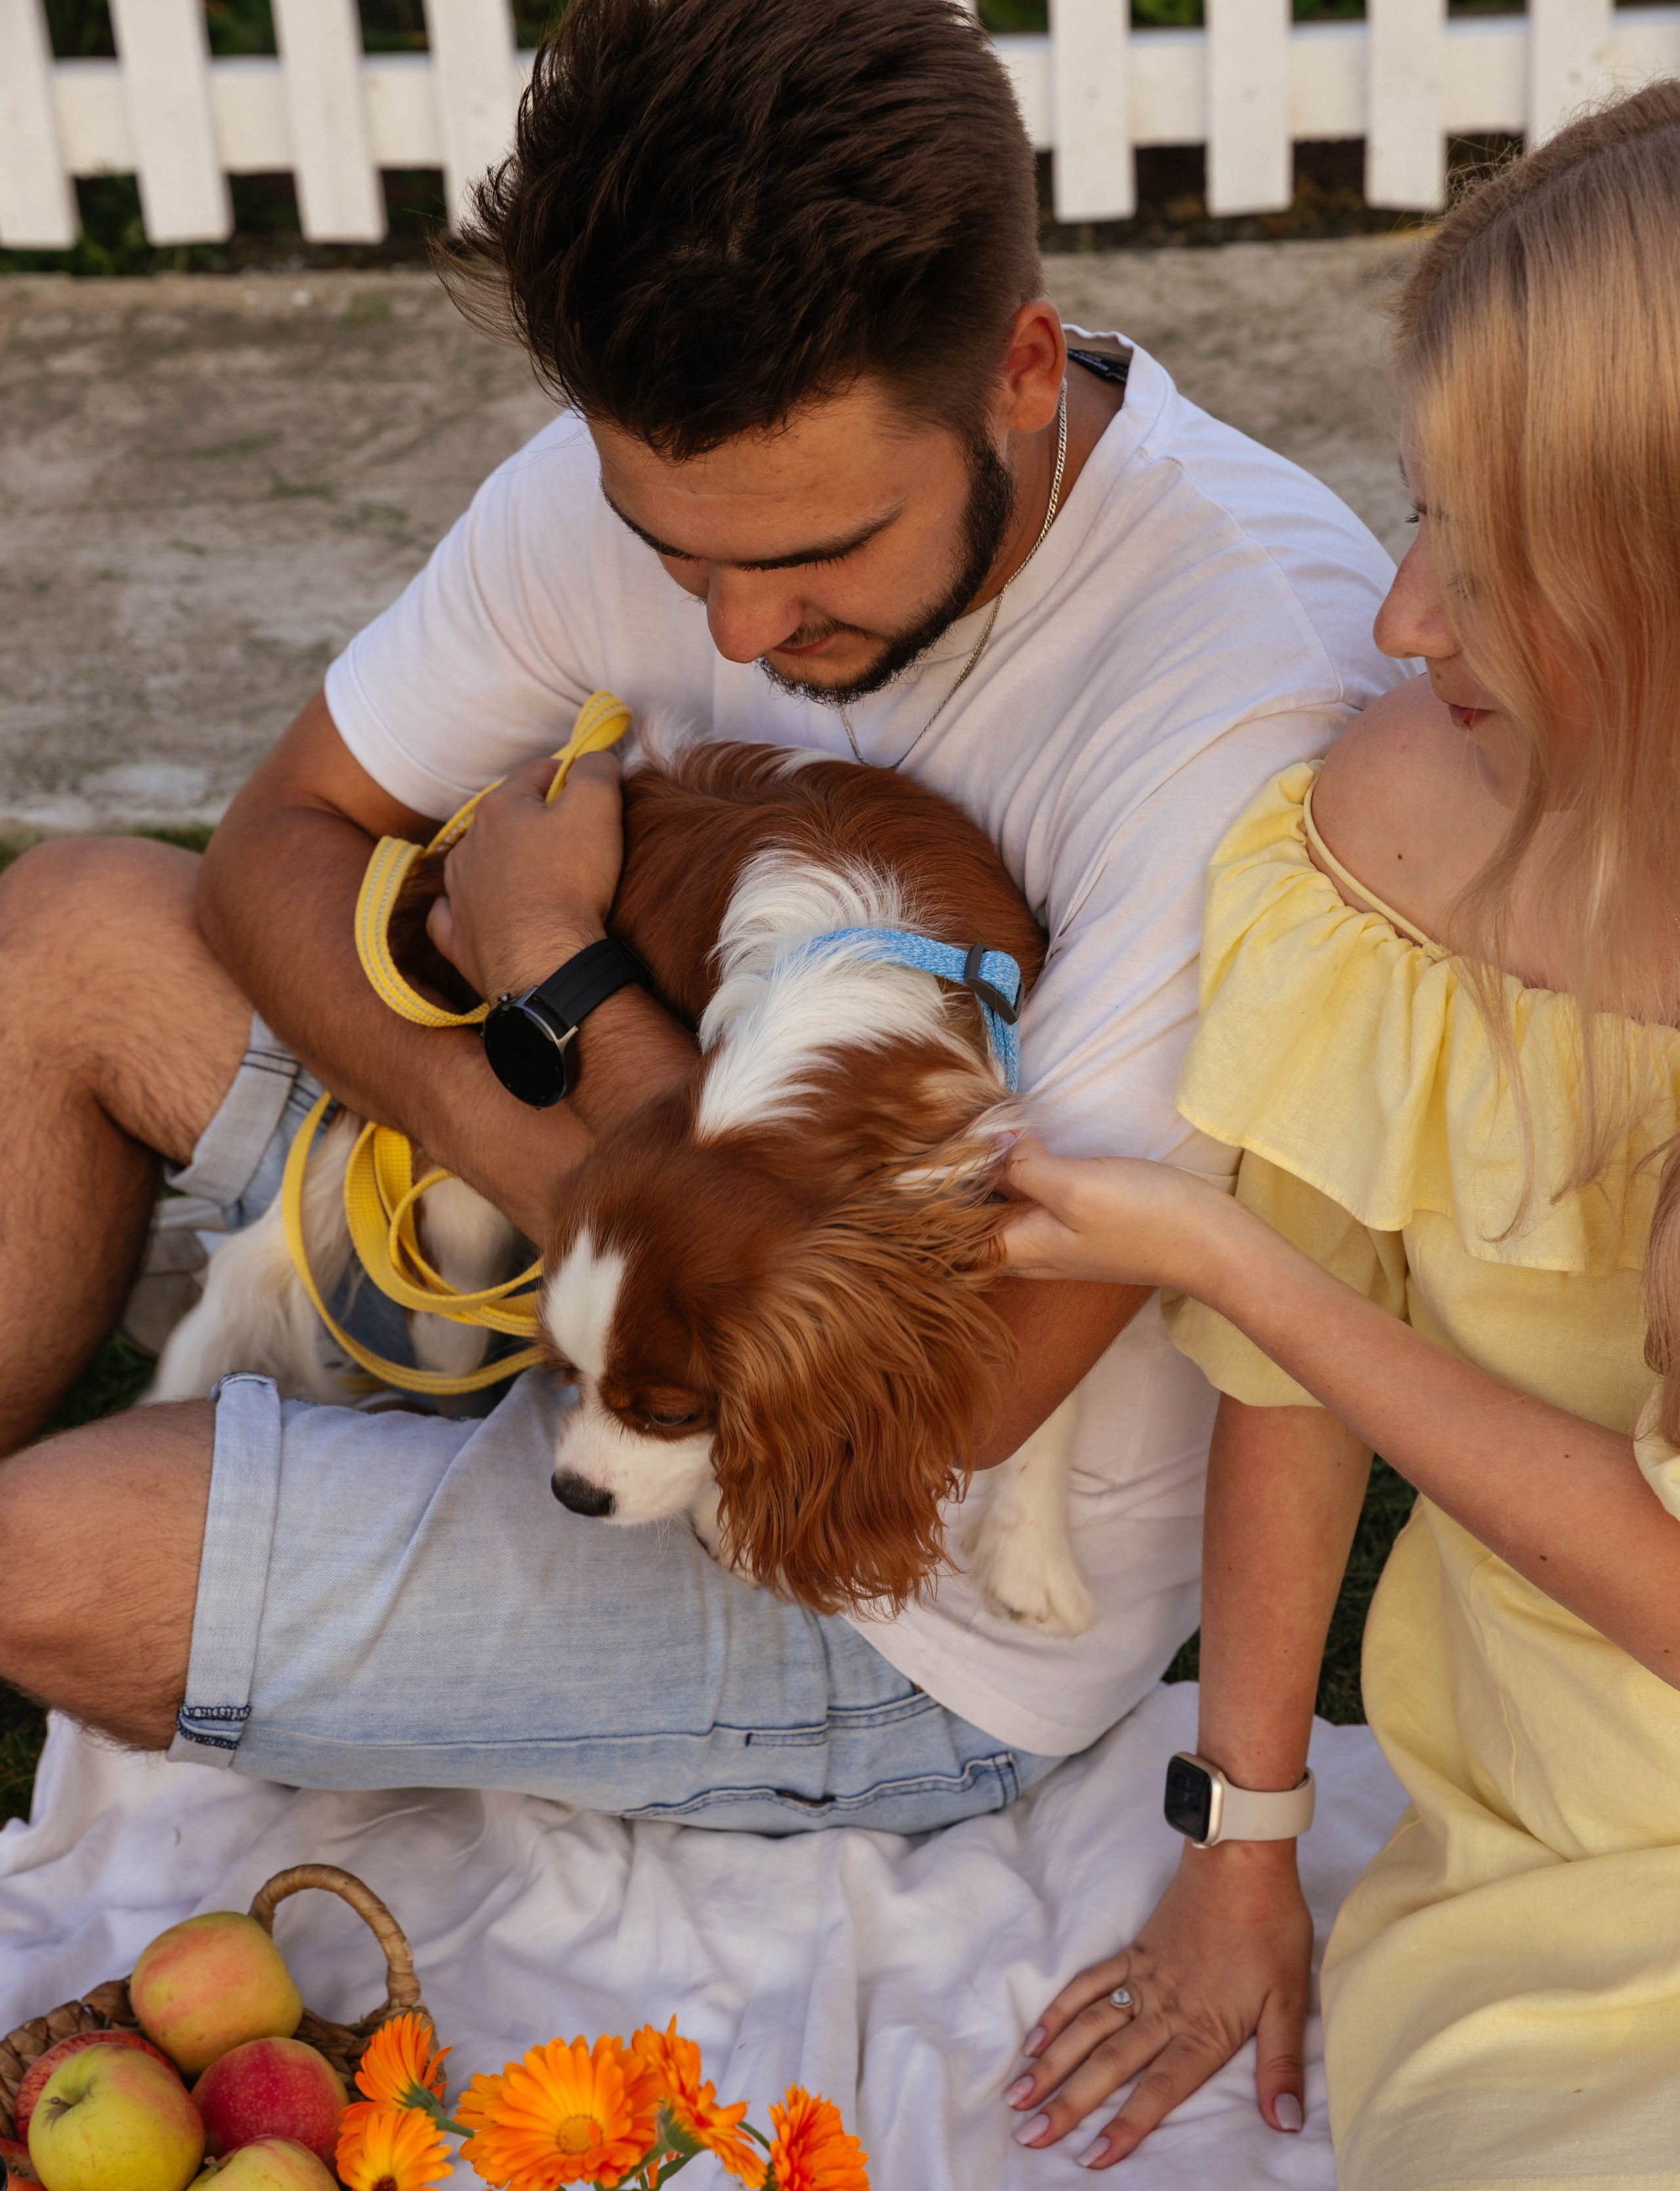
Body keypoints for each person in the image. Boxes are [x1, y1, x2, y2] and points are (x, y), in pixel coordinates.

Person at [0, 0, 1396, 1837]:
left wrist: (553, 981)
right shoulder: (675, 442)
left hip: (897, 1563)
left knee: (52, 1565)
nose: (736, 636)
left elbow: (971, 1381)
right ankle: (430, 1390)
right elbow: (292, 828)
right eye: (673, 552)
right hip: (607, 1236)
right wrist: (554, 1175)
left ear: (1027, 369)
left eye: (814, 556)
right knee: (73, 928)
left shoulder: (1252, 699)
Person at [996, 84, 1680, 2191]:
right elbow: (1295, 1363)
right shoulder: (1407, 822)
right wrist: (1246, 1836)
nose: (1399, 619)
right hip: (1576, 1901)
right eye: (1427, 522)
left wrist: (1218, 1252)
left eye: (1487, 562)